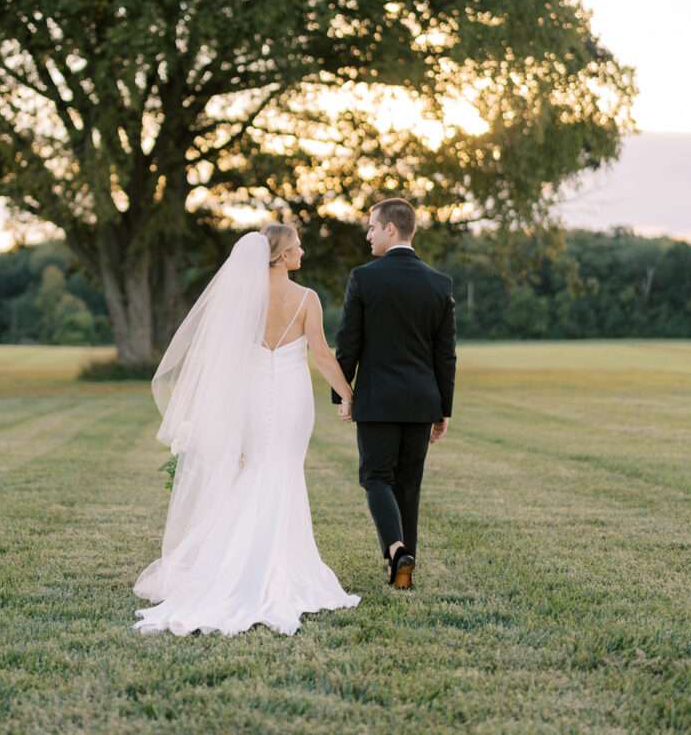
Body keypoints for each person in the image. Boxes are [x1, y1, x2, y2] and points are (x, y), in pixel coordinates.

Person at [133, 225, 360, 636]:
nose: (302, 251)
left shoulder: (242, 300)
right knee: (283, 471)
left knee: (258, 468)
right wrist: (348, 393)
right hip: (292, 398)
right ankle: (275, 569)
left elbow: (223, 358)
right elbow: (322, 354)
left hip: (253, 396)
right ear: (284, 255)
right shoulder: (306, 299)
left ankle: (237, 564)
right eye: (297, 246)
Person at [333, 198, 456, 591]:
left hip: (377, 399)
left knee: (375, 477)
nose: (368, 235)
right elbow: (445, 354)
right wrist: (444, 408)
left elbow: (348, 343)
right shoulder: (439, 283)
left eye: (371, 227)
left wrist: (343, 395)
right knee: (409, 483)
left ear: (390, 229)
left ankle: (396, 549)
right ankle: (403, 567)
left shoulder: (364, 278)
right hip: (422, 400)